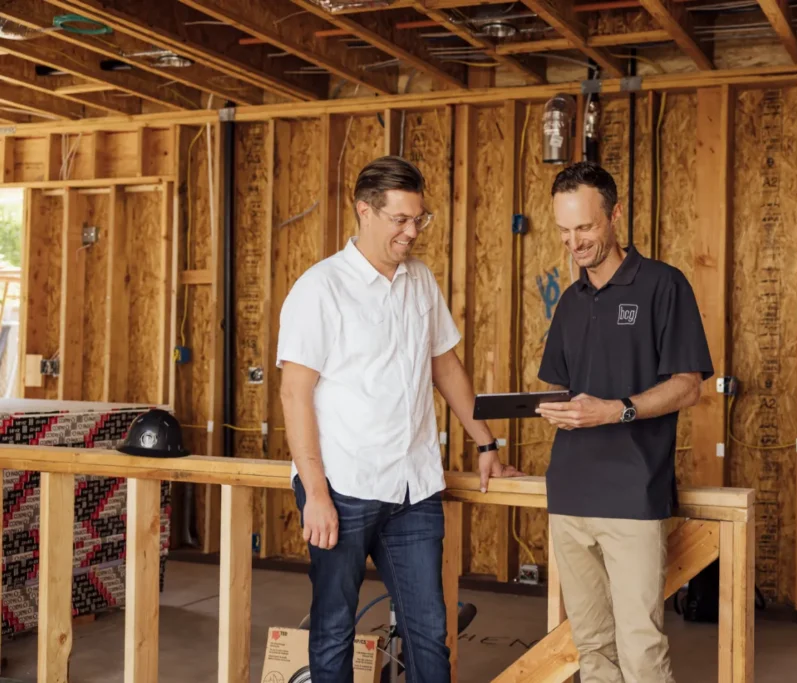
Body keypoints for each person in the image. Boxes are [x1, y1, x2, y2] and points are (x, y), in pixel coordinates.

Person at [276, 155, 523, 682]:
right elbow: (295, 394)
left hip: (414, 489)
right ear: (364, 211)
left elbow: (446, 367)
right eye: (400, 220)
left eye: (420, 219)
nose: (412, 232)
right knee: (334, 629)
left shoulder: (419, 281)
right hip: (343, 487)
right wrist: (315, 493)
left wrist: (486, 443)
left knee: (429, 633)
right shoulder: (320, 289)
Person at [535, 161, 714, 682]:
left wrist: (616, 410)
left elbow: (689, 384)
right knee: (592, 648)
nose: (575, 242)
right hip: (569, 496)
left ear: (615, 215)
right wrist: (556, 409)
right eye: (565, 231)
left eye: (585, 228)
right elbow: (561, 388)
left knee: (640, 647)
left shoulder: (663, 285)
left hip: (633, 496)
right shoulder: (570, 302)